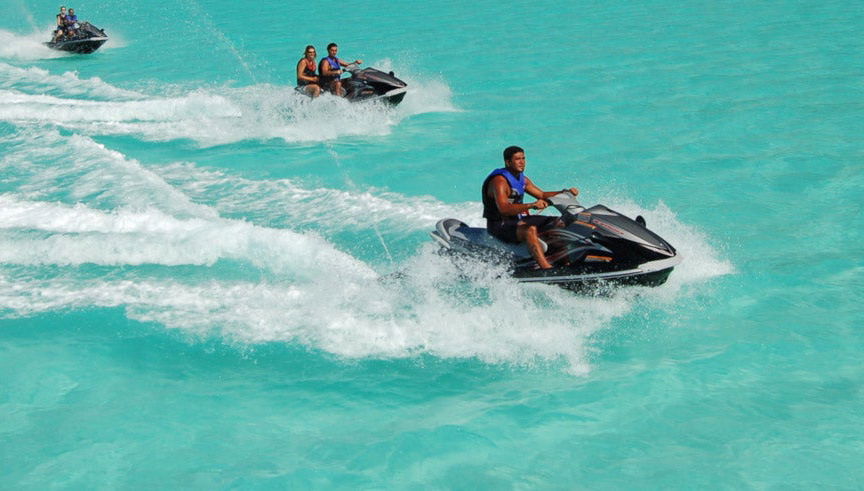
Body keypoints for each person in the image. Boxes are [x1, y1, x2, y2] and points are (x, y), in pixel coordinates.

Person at [482, 146, 579, 270]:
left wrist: (565, 192)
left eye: (523, 158)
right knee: (530, 230)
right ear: (508, 162)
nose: (522, 162)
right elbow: (504, 209)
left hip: (517, 220)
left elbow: (542, 195)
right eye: (517, 159)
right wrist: (531, 205)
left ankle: (564, 261)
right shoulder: (499, 182)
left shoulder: (522, 179)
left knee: (557, 222)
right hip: (499, 225)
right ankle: (546, 268)